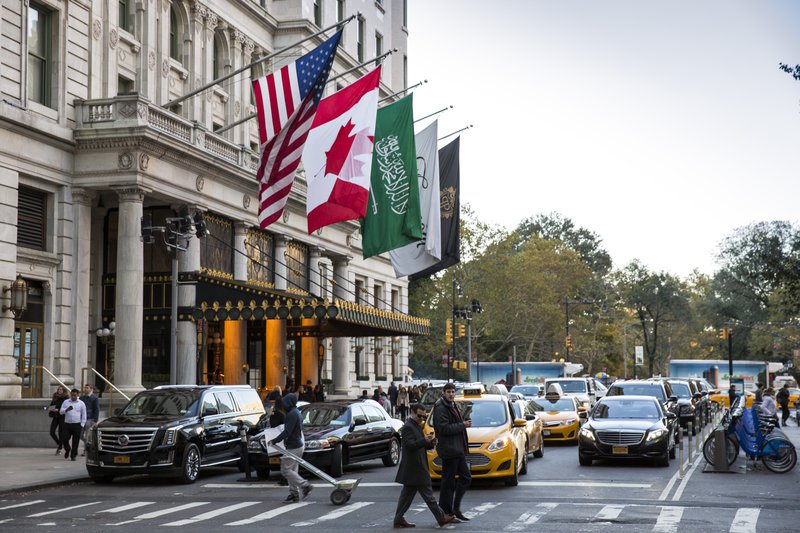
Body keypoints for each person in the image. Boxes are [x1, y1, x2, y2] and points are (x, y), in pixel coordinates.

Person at [392, 403, 455, 528]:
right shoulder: (407, 427)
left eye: (424, 416)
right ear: (413, 413)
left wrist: (431, 443)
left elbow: (420, 444)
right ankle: (441, 517)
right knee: (428, 495)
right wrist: (424, 440)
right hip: (415, 467)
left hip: (416, 466)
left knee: (406, 496)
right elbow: (410, 445)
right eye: (420, 415)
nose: (422, 418)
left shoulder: (416, 425)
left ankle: (398, 519)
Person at [433, 382, 472, 522]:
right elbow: (443, 429)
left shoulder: (452, 405)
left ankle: (455, 509)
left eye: (453, 391)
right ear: (443, 393)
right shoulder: (441, 408)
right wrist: (463, 425)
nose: (451, 394)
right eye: (448, 391)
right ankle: (446, 512)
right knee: (448, 483)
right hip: (449, 450)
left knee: (466, 477)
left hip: (457, 449)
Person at [269, 393, 312, 503]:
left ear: (288, 402)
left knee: (286, 470)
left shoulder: (292, 414)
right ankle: (294, 494)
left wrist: (275, 440)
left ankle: (305, 485)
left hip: (294, 446)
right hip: (297, 444)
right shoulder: (296, 412)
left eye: (285, 402)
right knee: (293, 471)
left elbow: (287, 432)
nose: (283, 404)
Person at [59, 388, 87, 461]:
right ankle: (67, 449)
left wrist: (82, 425)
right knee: (64, 438)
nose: (73, 397)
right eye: (72, 395)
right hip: (67, 424)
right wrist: (66, 410)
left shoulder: (81, 403)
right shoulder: (66, 402)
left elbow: (84, 415)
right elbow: (61, 412)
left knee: (75, 441)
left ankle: (73, 455)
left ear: (78, 395)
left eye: (74, 395)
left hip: (77, 424)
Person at [48, 386, 69, 455]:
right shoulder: (55, 396)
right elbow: (51, 405)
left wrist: (59, 410)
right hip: (55, 416)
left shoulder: (66, 398)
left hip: (62, 417)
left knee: (61, 433)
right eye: (58, 389)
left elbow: (67, 409)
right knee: (52, 431)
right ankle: (59, 443)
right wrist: (50, 408)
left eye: (61, 389)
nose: (59, 391)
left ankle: (59, 448)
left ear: (63, 391)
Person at [79, 384, 99, 456]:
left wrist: (95, 420)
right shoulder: (81, 398)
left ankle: (86, 450)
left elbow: (96, 409)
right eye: (84, 387)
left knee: (87, 435)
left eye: (87, 388)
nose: (85, 389)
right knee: (80, 435)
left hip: (90, 419)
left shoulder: (94, 398)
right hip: (82, 419)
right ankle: (89, 444)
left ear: (91, 389)